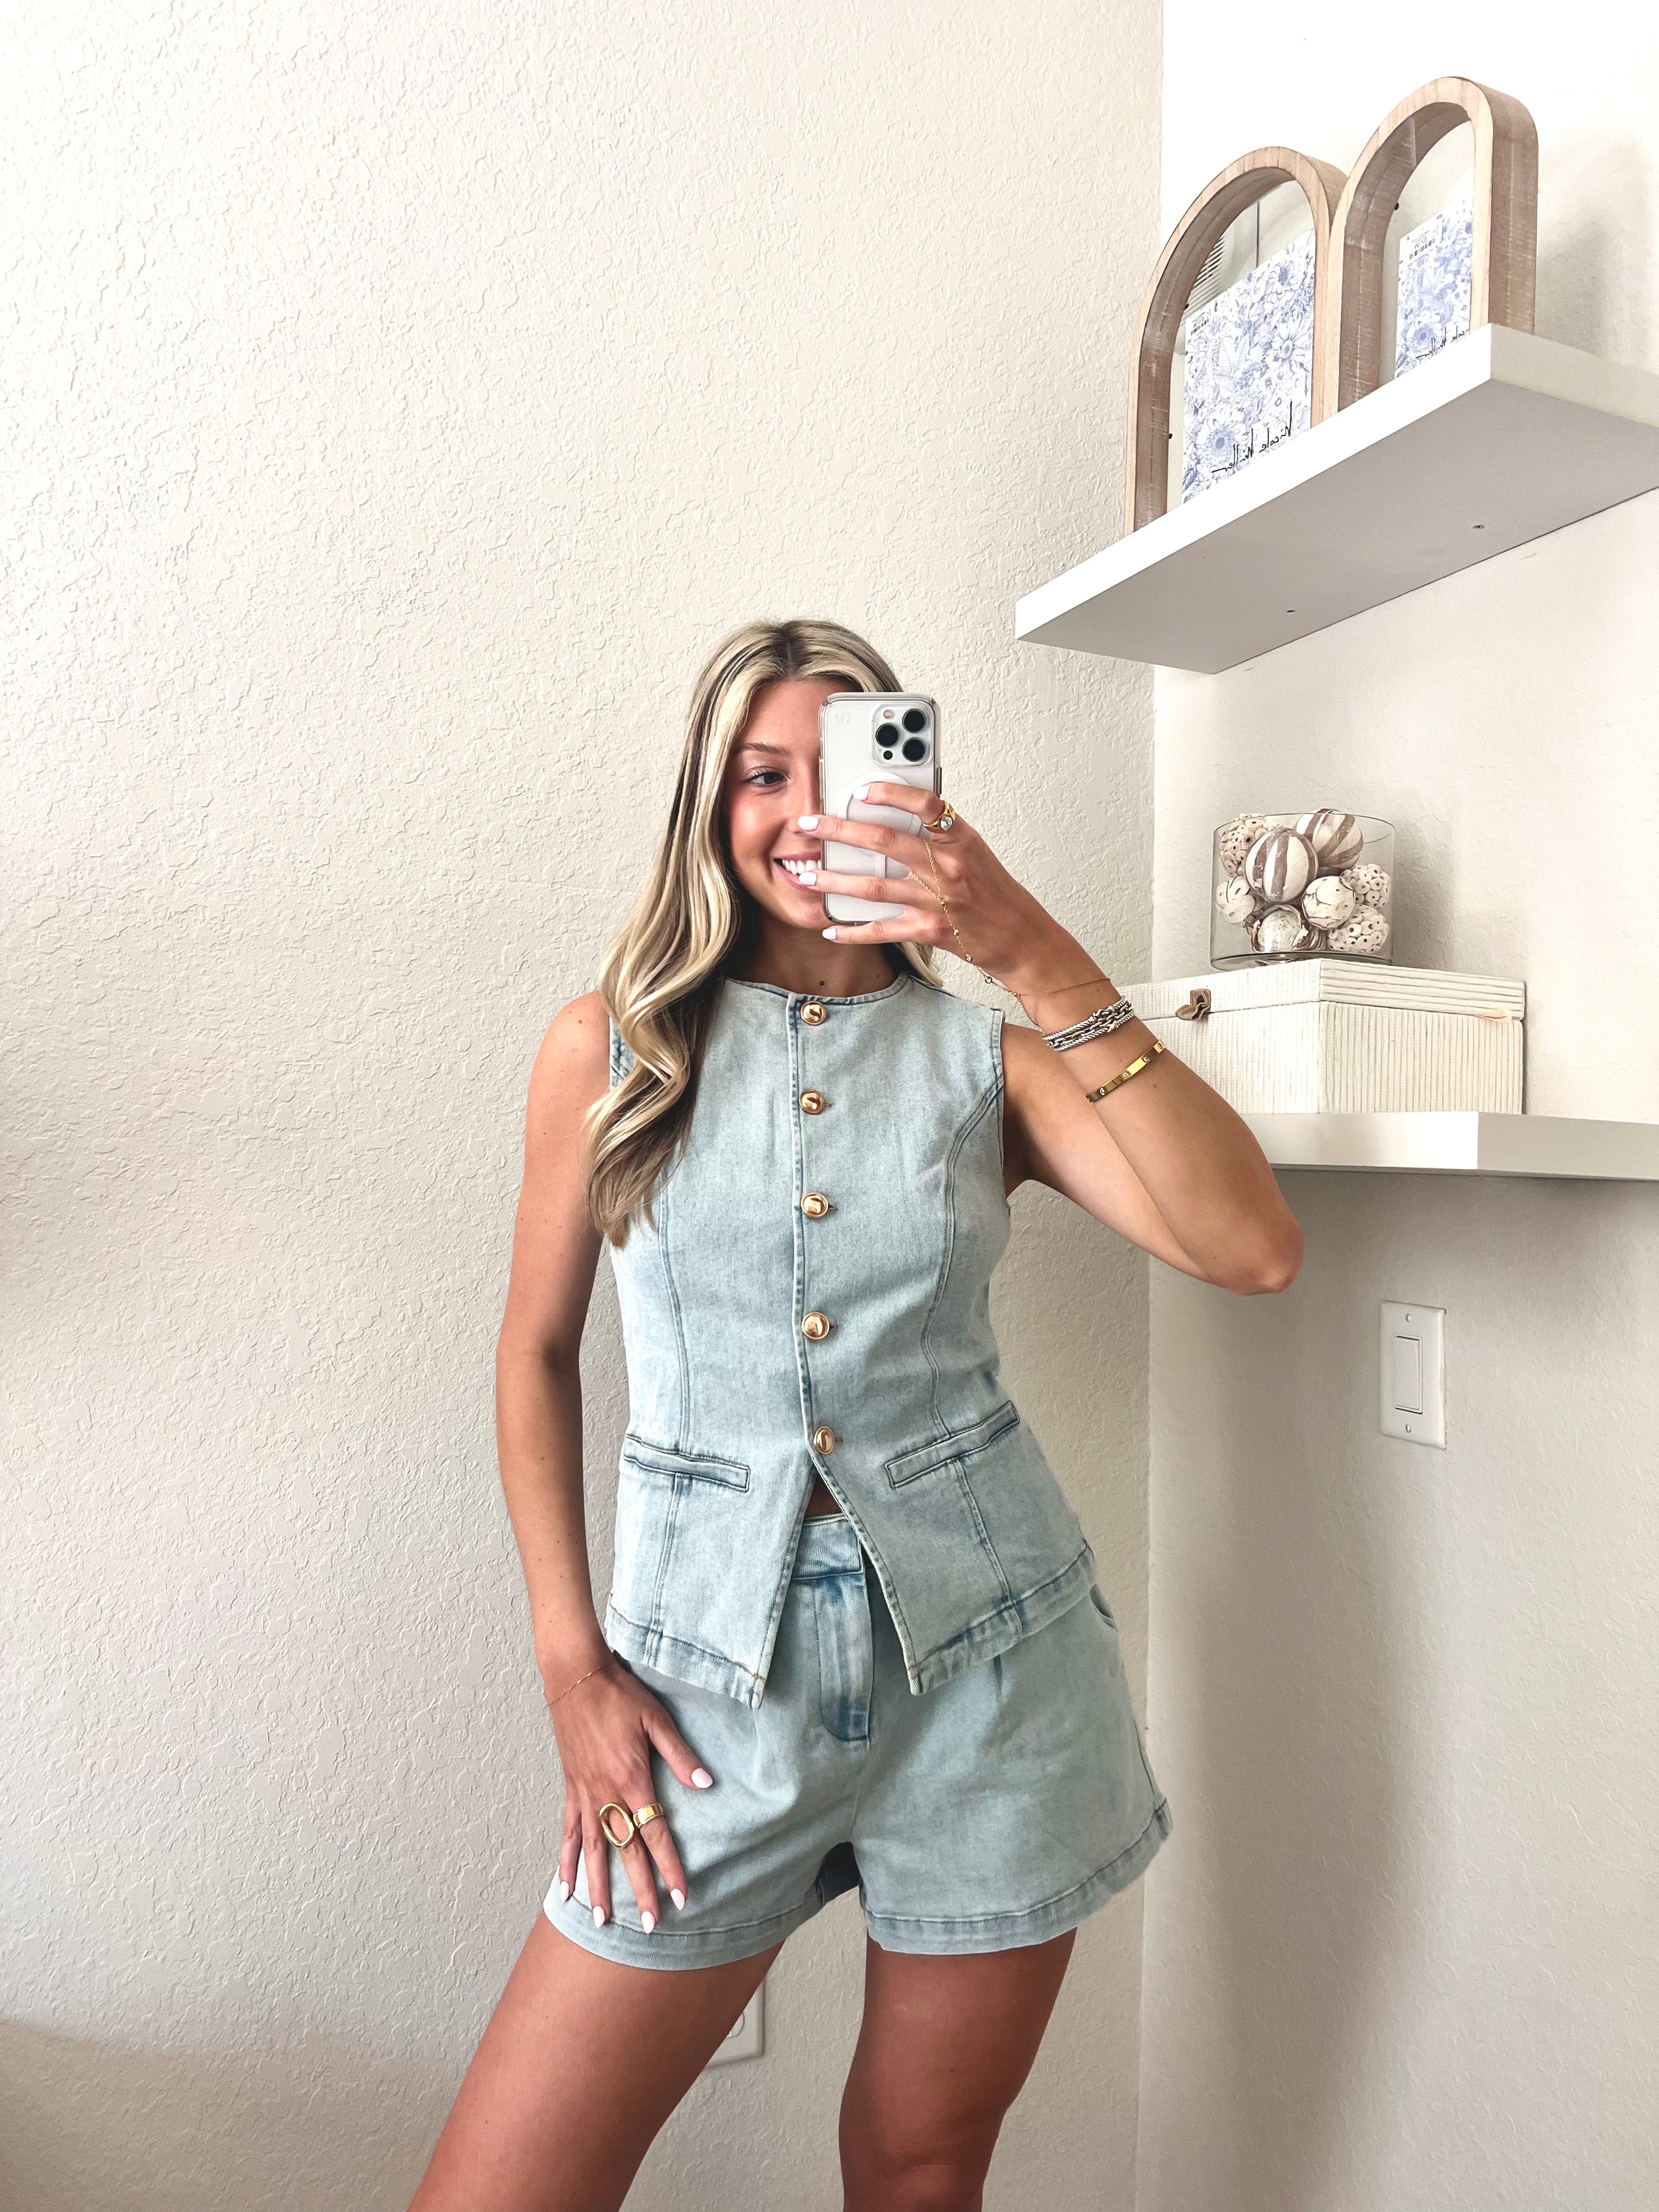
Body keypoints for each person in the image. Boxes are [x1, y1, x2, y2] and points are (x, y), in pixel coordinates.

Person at [408, 619, 1302, 2212]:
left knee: (919, 2168)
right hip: (699, 1694)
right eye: (766, 772)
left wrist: (1028, 944)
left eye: (849, 767)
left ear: (925, 796)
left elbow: (1251, 1247)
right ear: (709, 802)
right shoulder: (609, 1050)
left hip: (1000, 1688)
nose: (807, 808)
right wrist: (568, 1662)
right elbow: (533, 1350)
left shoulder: (989, 1061)